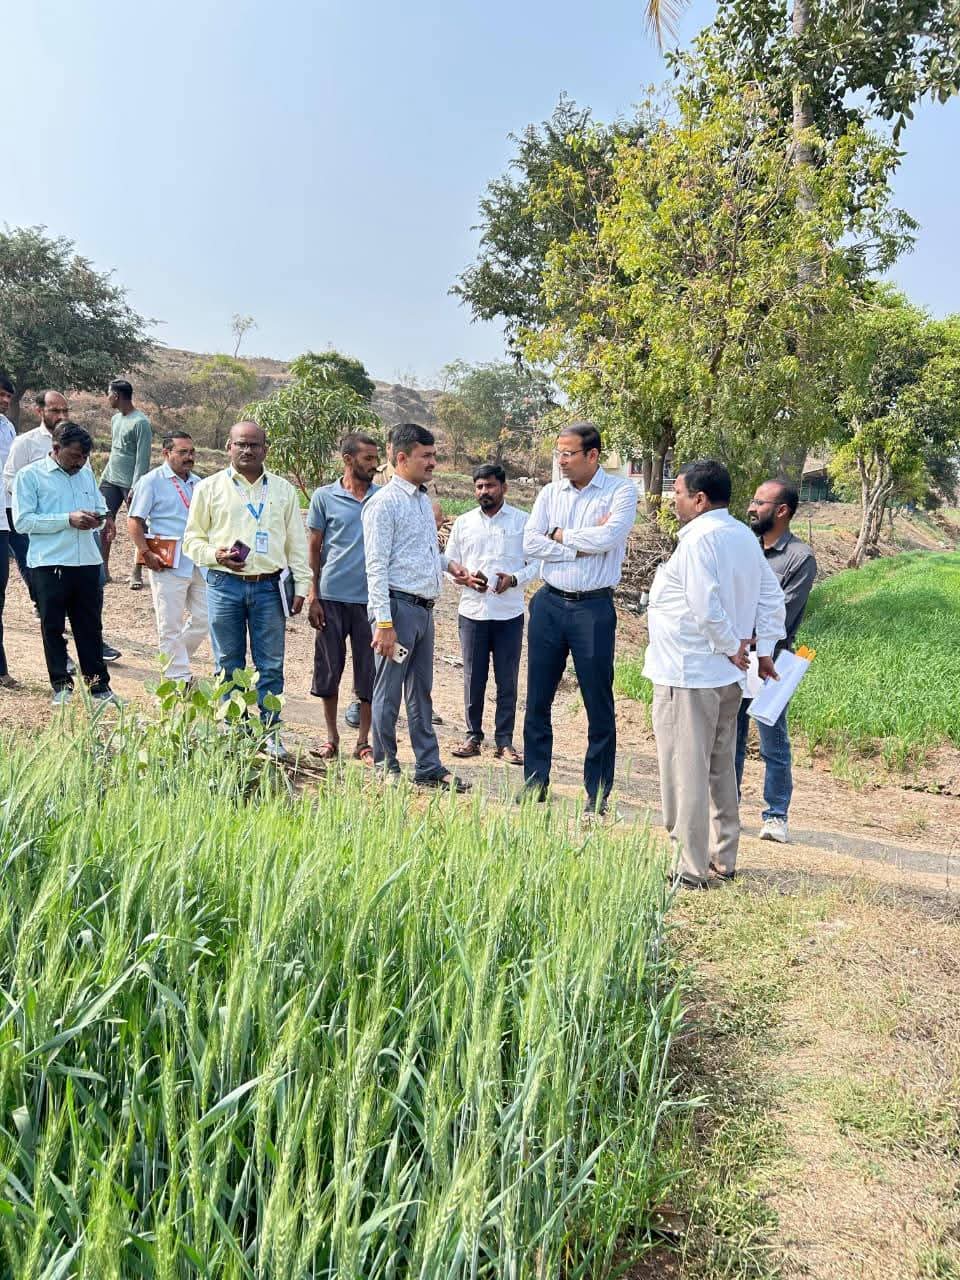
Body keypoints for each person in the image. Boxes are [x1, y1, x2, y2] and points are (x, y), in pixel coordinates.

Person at [643, 460, 786, 889]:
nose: (674, 502)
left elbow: (706, 607)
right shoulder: (743, 536)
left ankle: (689, 867)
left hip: (689, 675)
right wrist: (763, 650)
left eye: (679, 495)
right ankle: (724, 856)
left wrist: (733, 647)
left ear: (700, 499)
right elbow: (770, 597)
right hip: (725, 678)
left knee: (684, 769)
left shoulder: (698, 541)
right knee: (720, 766)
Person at [521, 422, 638, 814]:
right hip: (549, 603)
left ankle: (597, 795)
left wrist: (556, 535)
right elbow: (528, 541)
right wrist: (574, 544)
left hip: (593, 608)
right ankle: (535, 782)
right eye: (559, 453)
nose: (562, 461)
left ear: (593, 455)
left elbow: (609, 539)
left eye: (568, 453)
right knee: (538, 697)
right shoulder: (549, 492)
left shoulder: (620, 491)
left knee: (598, 702)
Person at [182, 420, 309, 757]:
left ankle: (269, 732)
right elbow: (191, 540)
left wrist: (303, 585)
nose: (247, 450)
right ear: (228, 447)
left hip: (269, 587)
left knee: (270, 665)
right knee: (228, 662)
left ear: (265, 449)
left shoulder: (282, 490)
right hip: (224, 585)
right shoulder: (208, 488)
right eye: (241, 444)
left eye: (254, 444)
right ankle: (234, 730)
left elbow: (297, 542)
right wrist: (215, 555)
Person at [361, 422, 471, 789]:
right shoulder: (383, 504)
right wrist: (384, 623)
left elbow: (421, 551)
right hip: (397, 609)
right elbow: (376, 566)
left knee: (421, 692)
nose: (434, 462)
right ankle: (385, 765)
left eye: (434, 455)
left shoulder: (423, 501)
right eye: (427, 456)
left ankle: (428, 766)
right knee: (388, 691)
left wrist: (449, 565)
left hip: (424, 609)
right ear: (402, 457)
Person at [4, 389, 121, 665]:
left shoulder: (81, 464)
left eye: (65, 411)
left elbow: (97, 499)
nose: (61, 415)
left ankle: (98, 684)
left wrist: (102, 517)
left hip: (85, 559)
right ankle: (62, 683)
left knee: (90, 624)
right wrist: (62, 514)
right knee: (53, 624)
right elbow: (21, 518)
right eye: (55, 410)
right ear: (55, 451)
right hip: (50, 557)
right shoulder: (27, 458)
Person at [735, 478, 818, 844]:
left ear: (781, 511)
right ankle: (727, 805)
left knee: (773, 740)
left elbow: (780, 613)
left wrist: (740, 629)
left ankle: (775, 815)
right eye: (753, 501)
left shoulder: (800, 557)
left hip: (774, 659)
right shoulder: (743, 548)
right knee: (730, 735)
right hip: (735, 655)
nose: (752, 508)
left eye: (759, 502)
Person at [446, 464, 537, 764]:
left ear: (504, 488)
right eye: (479, 487)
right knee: (474, 677)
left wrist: (513, 579)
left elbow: (537, 565)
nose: (484, 492)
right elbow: (449, 565)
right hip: (472, 612)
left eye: (490, 486)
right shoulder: (463, 523)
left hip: (508, 613)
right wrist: (464, 578)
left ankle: (505, 741)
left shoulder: (523, 522)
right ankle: (473, 736)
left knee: (507, 679)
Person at [305, 433, 381, 763]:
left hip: (371, 601)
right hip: (332, 597)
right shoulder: (324, 497)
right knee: (328, 669)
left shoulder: (383, 498)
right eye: (367, 458)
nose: (374, 465)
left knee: (369, 672)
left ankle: (363, 741)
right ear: (348, 460)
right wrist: (313, 595)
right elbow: (314, 548)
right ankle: (331, 738)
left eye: (376, 458)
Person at [127, 432, 208, 683]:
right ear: (166, 453)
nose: (189, 457)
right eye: (182, 452)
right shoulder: (151, 481)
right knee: (169, 624)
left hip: (199, 560)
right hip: (166, 561)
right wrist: (145, 552)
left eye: (191, 452)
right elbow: (134, 520)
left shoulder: (200, 483)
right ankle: (177, 678)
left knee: (206, 618)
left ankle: (172, 661)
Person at [100, 378, 152, 587]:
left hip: (130, 483)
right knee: (103, 521)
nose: (107, 398)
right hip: (110, 479)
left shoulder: (141, 423)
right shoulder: (115, 419)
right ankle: (103, 571)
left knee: (138, 525)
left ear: (117, 396)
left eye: (108, 394)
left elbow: (143, 457)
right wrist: (104, 475)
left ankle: (136, 572)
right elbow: (115, 451)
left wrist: (136, 485)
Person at [0, 376, 17, 687]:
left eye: (7, 397)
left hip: (3, 521)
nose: (5, 401)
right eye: (1, 395)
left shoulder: (8, 428)